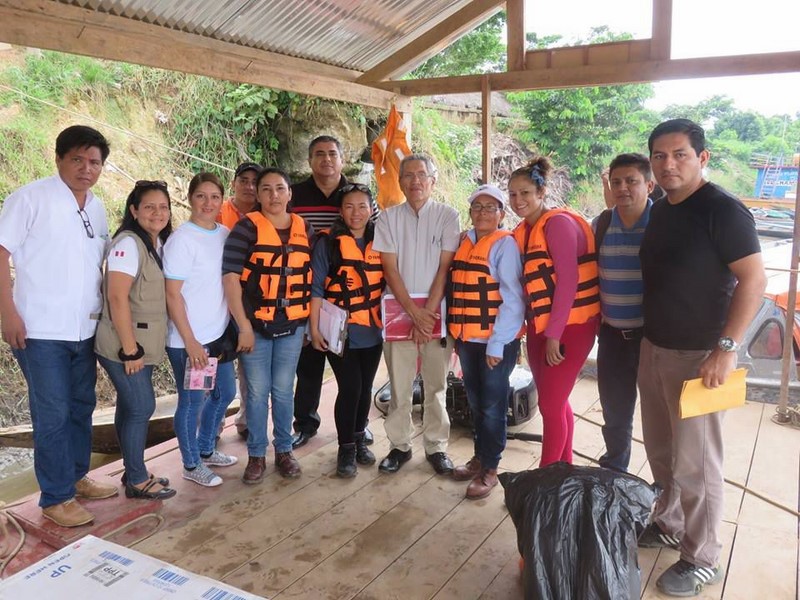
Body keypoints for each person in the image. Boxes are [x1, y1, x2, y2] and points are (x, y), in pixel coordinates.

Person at [636, 119, 766, 596]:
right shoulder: (661, 208)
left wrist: (726, 350)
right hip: (655, 347)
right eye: (659, 156)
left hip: (701, 356)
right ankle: (670, 523)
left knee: (698, 463)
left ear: (702, 157)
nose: (668, 164)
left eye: (680, 155)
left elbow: (754, 280)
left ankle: (702, 556)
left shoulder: (723, 210)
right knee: (662, 450)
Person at [0, 125, 118, 527]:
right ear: (59, 159)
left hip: (84, 329)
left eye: (95, 162)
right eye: (77, 160)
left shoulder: (97, 207)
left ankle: (76, 476)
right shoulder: (29, 198)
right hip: (39, 330)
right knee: (52, 412)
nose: (87, 169)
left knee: (82, 406)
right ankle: (55, 497)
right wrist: (8, 312)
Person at [223, 167, 313, 483]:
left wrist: (310, 325)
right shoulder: (245, 229)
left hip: (292, 325)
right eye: (266, 189)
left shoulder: (305, 229)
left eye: (280, 188)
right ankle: (257, 455)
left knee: (284, 390)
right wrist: (243, 327)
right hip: (255, 328)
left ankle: (284, 451)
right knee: (258, 393)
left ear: (290, 193)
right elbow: (230, 279)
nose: (274, 195)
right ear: (258, 195)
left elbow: (312, 279)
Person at [509, 156, 600, 468]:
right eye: (513, 194)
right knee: (556, 402)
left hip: (569, 328)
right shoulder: (524, 230)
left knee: (550, 404)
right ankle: (564, 469)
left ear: (541, 192)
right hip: (540, 326)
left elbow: (568, 281)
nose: (518, 200)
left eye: (525, 193)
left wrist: (553, 335)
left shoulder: (558, 224)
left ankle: (546, 478)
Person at [372, 153, 460, 475]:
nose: (415, 181)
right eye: (408, 175)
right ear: (400, 181)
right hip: (399, 313)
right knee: (400, 386)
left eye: (422, 174)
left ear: (433, 181)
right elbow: (390, 269)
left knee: (437, 387)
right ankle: (400, 446)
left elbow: (445, 268)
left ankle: (436, 446)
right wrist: (413, 313)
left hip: (436, 314)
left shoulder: (448, 216)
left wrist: (427, 316)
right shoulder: (388, 218)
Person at [95, 180, 176, 501]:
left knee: (130, 405)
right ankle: (138, 480)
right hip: (124, 345)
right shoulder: (128, 244)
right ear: (134, 210)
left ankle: (132, 469)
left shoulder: (155, 243)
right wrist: (130, 350)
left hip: (142, 342)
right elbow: (116, 297)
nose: (158, 213)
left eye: (163, 207)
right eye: (149, 207)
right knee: (142, 405)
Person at [447, 185, 525, 499]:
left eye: (490, 207)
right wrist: (457, 335)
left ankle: (491, 467)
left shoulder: (505, 245)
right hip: (468, 339)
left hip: (496, 341)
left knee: (493, 406)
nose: (482, 213)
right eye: (477, 207)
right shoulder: (464, 242)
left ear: (501, 214)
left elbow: (513, 299)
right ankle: (480, 457)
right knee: (476, 402)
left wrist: (497, 343)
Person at [165, 173, 238, 488]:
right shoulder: (182, 240)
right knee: (192, 402)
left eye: (215, 197)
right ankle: (191, 464)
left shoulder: (224, 234)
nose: (208, 203)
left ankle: (206, 448)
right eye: (201, 196)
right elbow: (172, 295)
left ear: (222, 200)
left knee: (225, 393)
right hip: (190, 341)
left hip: (216, 337)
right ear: (190, 198)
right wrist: (191, 342)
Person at [308, 184, 384, 477]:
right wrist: (314, 329)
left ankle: (359, 437)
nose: (356, 213)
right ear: (340, 211)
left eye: (362, 206)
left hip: (373, 330)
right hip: (340, 331)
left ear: (371, 209)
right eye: (349, 206)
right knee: (350, 388)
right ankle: (346, 447)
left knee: (365, 388)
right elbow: (316, 289)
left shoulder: (381, 240)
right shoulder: (328, 244)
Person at [594, 153, 655, 473]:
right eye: (616, 182)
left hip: (655, 338)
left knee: (660, 414)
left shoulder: (664, 224)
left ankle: (665, 483)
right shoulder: (602, 224)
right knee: (615, 413)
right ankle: (615, 472)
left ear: (649, 185)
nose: (622, 188)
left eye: (631, 181)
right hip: (612, 336)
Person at [289, 136, 350, 449]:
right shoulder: (294, 195)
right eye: (319, 154)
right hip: (304, 292)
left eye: (332, 154)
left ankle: (357, 425)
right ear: (310, 160)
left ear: (342, 159)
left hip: (348, 295)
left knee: (350, 369)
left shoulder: (356, 194)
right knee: (308, 366)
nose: (327, 159)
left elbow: (374, 238)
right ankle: (305, 424)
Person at [217, 162, 262, 440]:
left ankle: (245, 421)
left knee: (249, 366)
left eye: (255, 182)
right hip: (217, 300)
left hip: (253, 301)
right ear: (233, 183)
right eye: (243, 180)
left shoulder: (265, 215)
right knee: (217, 363)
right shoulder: (219, 210)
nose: (249, 186)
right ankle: (213, 424)